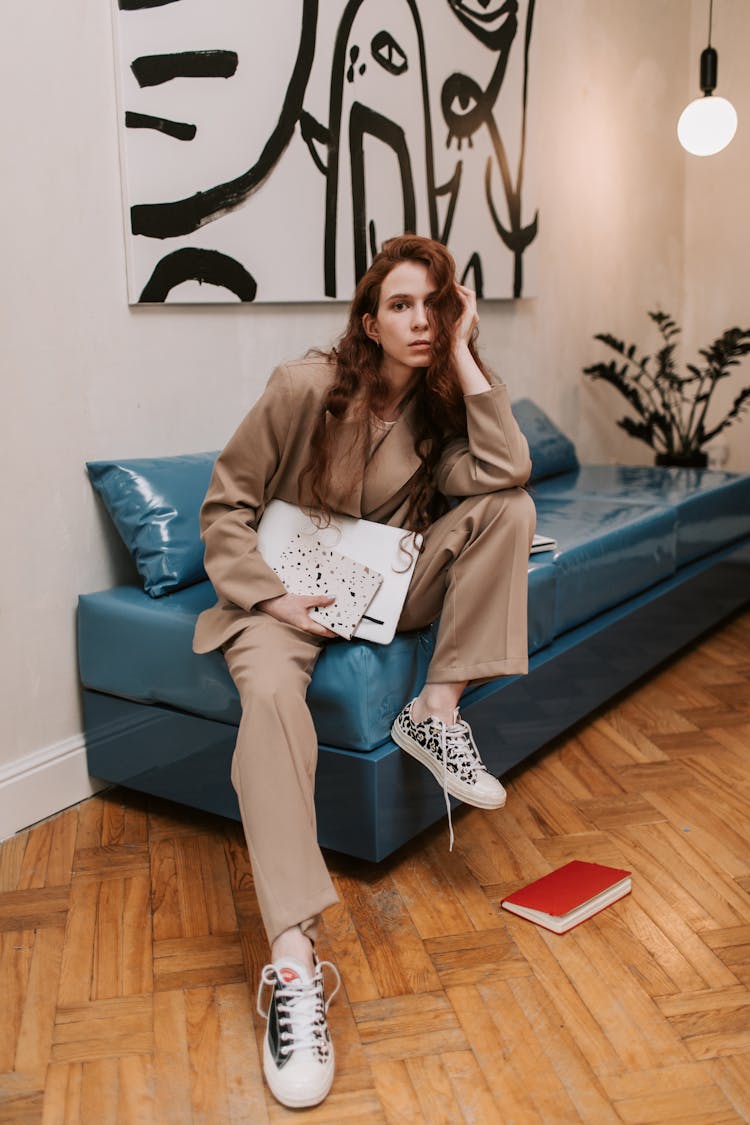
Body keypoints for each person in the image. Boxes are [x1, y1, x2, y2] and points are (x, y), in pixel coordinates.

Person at [193, 235, 536, 1109]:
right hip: (284, 595)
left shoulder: (436, 412)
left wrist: (462, 355)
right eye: (403, 306)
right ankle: (295, 962)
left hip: (381, 592)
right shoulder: (303, 388)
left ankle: (437, 708)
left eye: (436, 306)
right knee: (270, 696)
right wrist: (270, 600)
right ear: (369, 318)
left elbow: (504, 471)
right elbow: (225, 505)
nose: (419, 321)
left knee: (511, 509)